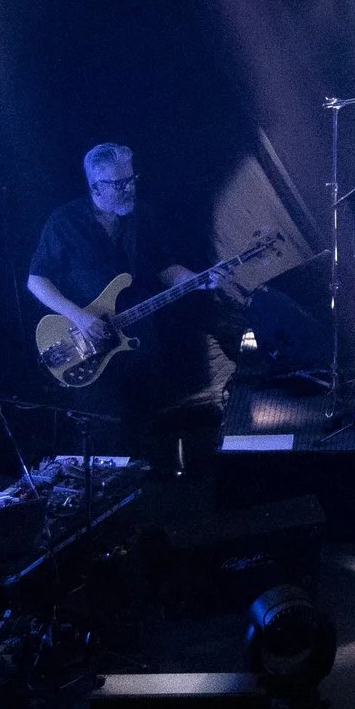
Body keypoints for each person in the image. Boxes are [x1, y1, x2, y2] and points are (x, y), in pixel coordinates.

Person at [26, 143, 252, 470]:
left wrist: (201, 279)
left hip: (140, 343)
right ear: (95, 187)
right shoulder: (65, 222)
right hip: (86, 347)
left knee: (146, 429)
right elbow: (36, 280)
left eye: (131, 179)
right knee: (106, 436)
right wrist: (80, 317)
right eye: (119, 184)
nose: (129, 188)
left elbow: (166, 269)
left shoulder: (142, 217)